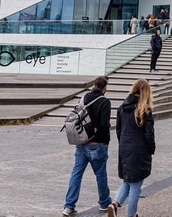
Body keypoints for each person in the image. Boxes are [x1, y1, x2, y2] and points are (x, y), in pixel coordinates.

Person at [62, 76, 114, 217]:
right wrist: (106, 141)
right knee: (100, 174)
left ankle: (69, 206)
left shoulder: (84, 97)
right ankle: (104, 203)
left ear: (94, 85)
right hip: (96, 144)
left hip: (81, 142)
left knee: (76, 173)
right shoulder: (104, 102)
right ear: (105, 88)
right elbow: (104, 125)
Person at [112, 78, 155, 217]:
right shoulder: (145, 109)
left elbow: (118, 129)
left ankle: (114, 204)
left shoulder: (122, 107)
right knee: (136, 184)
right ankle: (131, 214)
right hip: (139, 149)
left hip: (125, 146)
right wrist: (151, 149)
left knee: (128, 179)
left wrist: (123, 143)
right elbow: (149, 133)